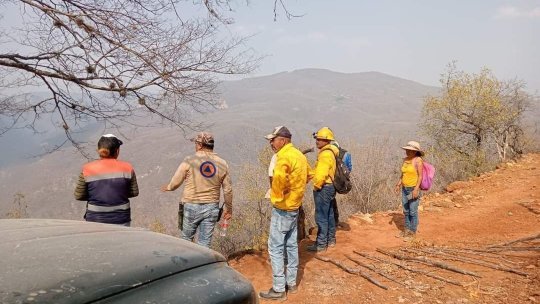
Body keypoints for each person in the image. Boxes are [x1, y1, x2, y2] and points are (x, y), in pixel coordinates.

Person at [259, 126, 311, 301]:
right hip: (294, 206)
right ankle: (292, 284)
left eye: (273, 140)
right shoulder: (299, 156)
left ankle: (279, 289)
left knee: (275, 247)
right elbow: (309, 175)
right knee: (291, 244)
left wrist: (276, 196)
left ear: (283, 140)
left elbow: (278, 180)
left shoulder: (284, 156)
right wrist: (296, 188)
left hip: (283, 207)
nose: (271, 143)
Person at [160, 132, 232, 248]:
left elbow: (176, 181)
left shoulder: (189, 160)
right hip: (212, 207)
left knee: (186, 241)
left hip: (191, 205)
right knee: (204, 244)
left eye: (195, 143)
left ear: (199, 145)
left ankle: (185, 264)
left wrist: (169, 187)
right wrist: (228, 209)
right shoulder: (222, 163)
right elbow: (228, 189)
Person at [74, 134, 139, 226]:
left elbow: (78, 195)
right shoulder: (128, 168)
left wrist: (97, 195)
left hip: (95, 220)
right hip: (121, 219)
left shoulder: (87, 169)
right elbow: (134, 192)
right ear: (117, 151)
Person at [308, 127, 339, 252]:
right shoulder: (331, 152)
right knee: (329, 214)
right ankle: (331, 240)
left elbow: (321, 174)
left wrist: (316, 186)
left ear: (327, 141)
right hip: (330, 187)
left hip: (324, 188)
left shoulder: (325, 154)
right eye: (317, 138)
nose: (317, 141)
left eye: (320, 139)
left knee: (321, 216)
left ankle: (321, 244)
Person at [394, 141, 424, 241]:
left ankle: (412, 232)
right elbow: (403, 174)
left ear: (415, 152)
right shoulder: (405, 160)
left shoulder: (418, 160)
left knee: (413, 211)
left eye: (410, 150)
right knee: (406, 211)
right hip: (405, 188)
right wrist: (399, 183)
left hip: (413, 188)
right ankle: (406, 230)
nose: (408, 151)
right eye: (407, 150)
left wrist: (416, 189)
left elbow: (420, 176)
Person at [331, 141, 352, 228]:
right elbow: (349, 168)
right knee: (332, 199)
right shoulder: (346, 154)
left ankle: (333, 222)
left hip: (331, 180)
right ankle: (336, 221)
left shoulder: (329, 154)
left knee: (331, 200)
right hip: (342, 181)